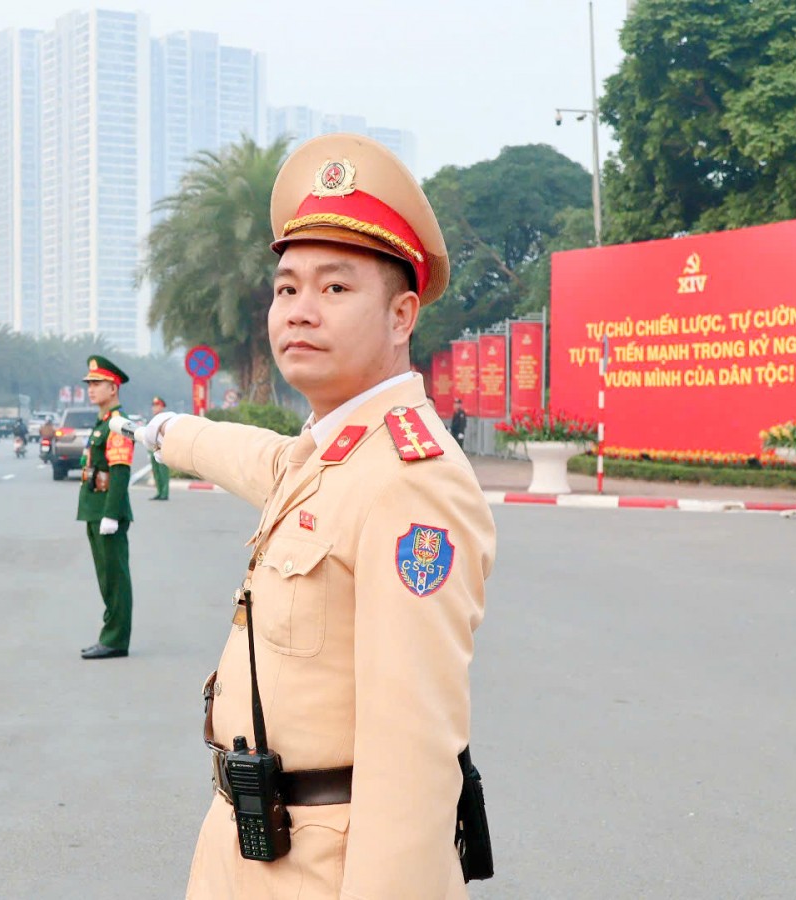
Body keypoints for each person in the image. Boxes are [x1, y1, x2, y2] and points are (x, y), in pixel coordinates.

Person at [122, 134, 495, 898]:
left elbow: (413, 752)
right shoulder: (330, 453)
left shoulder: (409, 482)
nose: (300, 311)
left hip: (323, 868)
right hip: (247, 848)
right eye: (287, 288)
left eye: (334, 289)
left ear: (401, 315)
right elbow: (254, 457)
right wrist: (165, 433)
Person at [77, 356, 135, 660]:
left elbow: (121, 470)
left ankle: (115, 639)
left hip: (106, 511)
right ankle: (110, 635)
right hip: (94, 507)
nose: (91, 389)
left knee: (115, 578)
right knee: (105, 577)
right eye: (89, 384)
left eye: (97, 384)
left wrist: (112, 514)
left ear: (113, 388)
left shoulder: (118, 423)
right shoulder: (103, 421)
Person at [149, 396, 171, 500]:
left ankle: (164, 493)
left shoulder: (166, 419)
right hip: (153, 448)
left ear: (162, 407)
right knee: (156, 471)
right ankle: (159, 491)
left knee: (163, 472)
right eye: (153, 406)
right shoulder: (153, 419)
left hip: (163, 448)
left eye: (157, 405)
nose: (154, 408)